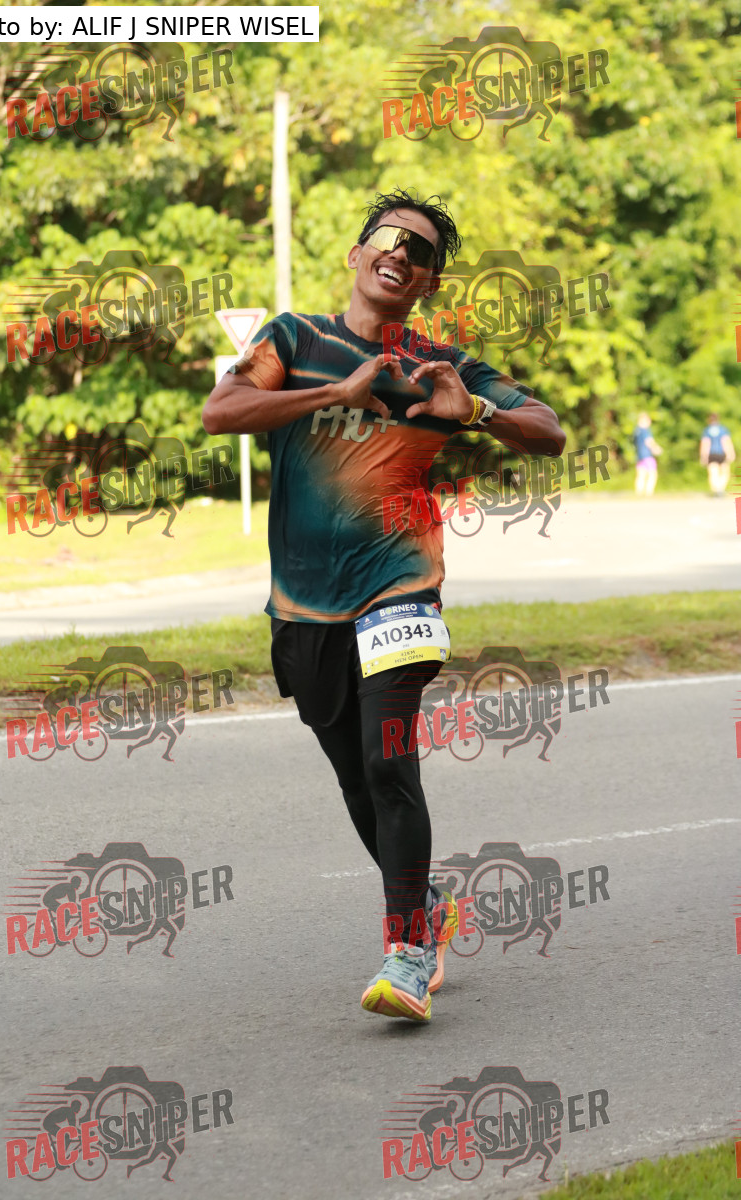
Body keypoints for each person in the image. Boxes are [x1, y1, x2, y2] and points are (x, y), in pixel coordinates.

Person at [202, 188, 565, 1022]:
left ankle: (407, 953)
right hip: (303, 606)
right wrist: (337, 391)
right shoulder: (295, 339)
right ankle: (427, 907)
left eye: (422, 251)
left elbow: (547, 430)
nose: (402, 252)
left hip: (401, 584)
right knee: (355, 780)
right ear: (359, 253)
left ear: (429, 282)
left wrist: (477, 411)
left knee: (387, 763)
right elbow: (223, 411)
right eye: (391, 237)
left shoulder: (441, 368)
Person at [699, 413, 735, 495]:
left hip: (711, 454)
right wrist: (730, 453)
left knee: (713, 472)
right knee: (725, 472)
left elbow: (705, 443)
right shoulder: (722, 429)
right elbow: (726, 441)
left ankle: (716, 489)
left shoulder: (707, 430)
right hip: (721, 453)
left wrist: (703, 456)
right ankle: (720, 489)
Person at [631, 412, 662, 495]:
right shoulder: (645, 430)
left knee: (641, 475)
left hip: (639, 456)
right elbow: (649, 441)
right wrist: (656, 448)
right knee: (653, 474)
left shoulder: (636, 431)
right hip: (647, 455)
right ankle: (649, 492)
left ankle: (639, 493)